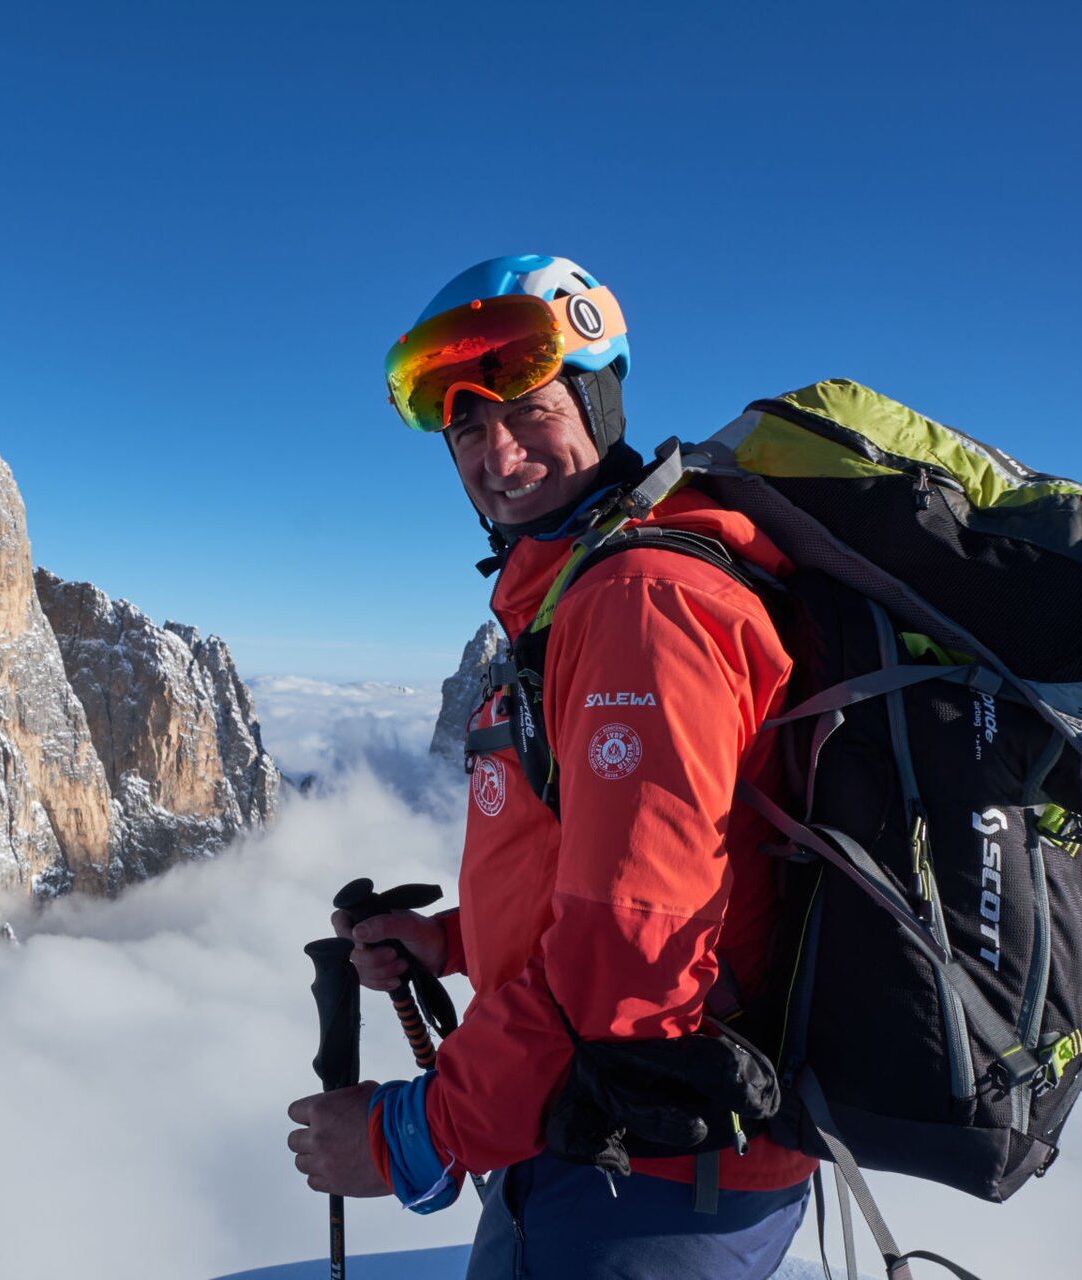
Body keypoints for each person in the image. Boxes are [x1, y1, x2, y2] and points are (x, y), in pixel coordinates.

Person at [286, 255, 819, 1278]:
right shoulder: (575, 594)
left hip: (651, 1173)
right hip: (588, 1134)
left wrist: (413, 1132)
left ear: (598, 397)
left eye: (527, 411)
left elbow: (629, 958)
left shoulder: (640, 605)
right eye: (468, 429)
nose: (498, 452)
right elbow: (621, 877)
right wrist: (447, 940)